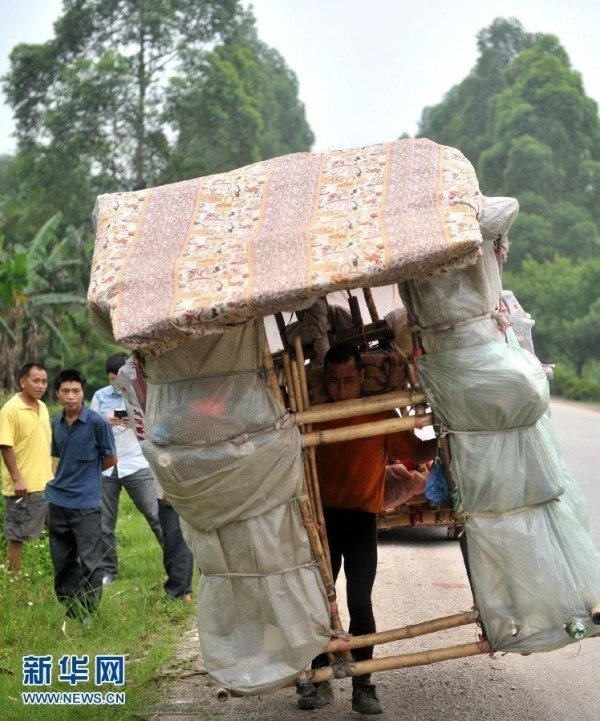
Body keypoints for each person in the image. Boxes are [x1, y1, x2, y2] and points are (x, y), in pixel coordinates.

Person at [298, 343, 436, 715]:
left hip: (361, 520)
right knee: (318, 602)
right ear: (324, 382)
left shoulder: (379, 413)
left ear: (361, 377)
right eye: (333, 381)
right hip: (322, 521)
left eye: (348, 380)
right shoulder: (314, 414)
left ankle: (364, 683)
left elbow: (415, 453)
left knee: (360, 602)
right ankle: (319, 676)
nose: (341, 389)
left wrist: (448, 435)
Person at [46, 369, 117, 622]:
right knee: (62, 560)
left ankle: (87, 611)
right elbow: (57, 458)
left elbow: (110, 458)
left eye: (76, 391)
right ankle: (71, 606)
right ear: (57, 394)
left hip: (87, 503)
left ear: (83, 393)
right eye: (65, 391)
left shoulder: (97, 422)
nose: (71, 396)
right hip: (58, 501)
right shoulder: (55, 423)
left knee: (90, 561)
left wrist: (88, 477)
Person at [91, 353, 163, 585]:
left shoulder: (142, 392)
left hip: (137, 463)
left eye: (118, 378)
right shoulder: (100, 397)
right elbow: (90, 427)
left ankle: (175, 563)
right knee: (104, 523)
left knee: (155, 514)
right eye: (111, 379)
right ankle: (107, 572)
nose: (115, 383)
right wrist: (107, 421)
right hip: (106, 467)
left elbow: (156, 423)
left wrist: (135, 421)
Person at [0, 363, 53, 572]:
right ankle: (14, 580)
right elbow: (5, 445)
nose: (41, 386)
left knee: (58, 529)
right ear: (23, 382)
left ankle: (59, 572)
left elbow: (46, 443)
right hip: (23, 486)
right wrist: (17, 478)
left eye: (44, 381)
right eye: (36, 381)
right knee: (17, 535)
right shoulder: (10, 409)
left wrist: (53, 468)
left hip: (47, 483)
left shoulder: (44, 407)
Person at [156, 480, 194, 602]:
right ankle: (182, 591)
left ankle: (178, 592)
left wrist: (170, 488)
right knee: (173, 539)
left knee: (177, 538)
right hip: (164, 488)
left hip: (175, 487)